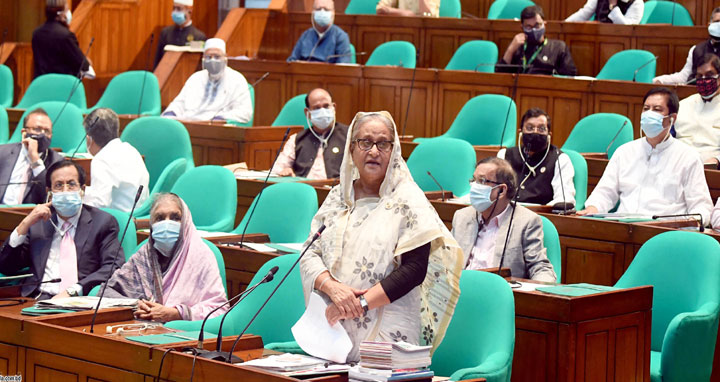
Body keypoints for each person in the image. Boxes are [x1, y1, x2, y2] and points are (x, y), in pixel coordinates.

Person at [300, 111, 462, 362]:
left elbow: (415, 269)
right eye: (365, 142)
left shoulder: (409, 199)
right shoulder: (337, 197)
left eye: (383, 143)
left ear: (394, 151)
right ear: (352, 149)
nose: (374, 151)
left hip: (389, 329)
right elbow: (310, 251)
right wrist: (332, 288)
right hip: (332, 328)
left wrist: (359, 304)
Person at [578, 87, 713, 224]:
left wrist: (691, 221)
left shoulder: (688, 157)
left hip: (664, 231)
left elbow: (702, 207)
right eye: (646, 108)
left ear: (672, 118)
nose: (649, 114)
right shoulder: (625, 151)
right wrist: (592, 208)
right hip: (623, 229)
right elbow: (604, 193)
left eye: (657, 109)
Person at [0, 160, 123, 300]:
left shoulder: (103, 222)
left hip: (79, 299)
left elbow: (113, 266)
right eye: (58, 185)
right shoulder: (38, 223)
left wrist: (75, 290)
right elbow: (7, 267)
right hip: (36, 298)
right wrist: (24, 224)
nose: (65, 190)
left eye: (71, 184)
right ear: (49, 192)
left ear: (82, 189)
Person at [103, 193, 229, 322]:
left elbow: (219, 309)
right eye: (160, 218)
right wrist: (133, 304)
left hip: (183, 334)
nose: (167, 224)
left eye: (175, 218)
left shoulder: (202, 256)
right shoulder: (144, 255)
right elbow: (106, 292)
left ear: (185, 222)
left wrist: (177, 313)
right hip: (139, 329)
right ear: (151, 224)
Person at [452, 158, 557, 282]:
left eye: (481, 181)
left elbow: (540, 268)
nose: (474, 186)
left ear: (501, 190)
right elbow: (444, 259)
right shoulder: (462, 217)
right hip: (461, 292)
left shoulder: (526, 222)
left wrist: (540, 292)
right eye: (473, 180)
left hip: (499, 295)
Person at [162, 38, 253, 123]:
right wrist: (171, 113)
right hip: (188, 123)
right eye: (208, 57)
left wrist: (221, 118)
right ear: (203, 59)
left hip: (215, 128)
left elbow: (245, 112)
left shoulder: (236, 79)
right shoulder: (196, 78)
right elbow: (179, 102)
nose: (212, 60)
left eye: (217, 57)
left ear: (225, 58)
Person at [498, 108, 576, 206]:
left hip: (541, 216)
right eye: (530, 128)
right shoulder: (504, 155)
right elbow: (494, 190)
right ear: (520, 132)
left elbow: (564, 199)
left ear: (549, 135)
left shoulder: (560, 159)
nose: (535, 132)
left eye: (541, 129)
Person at [82, 108, 150, 212]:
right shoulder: (130, 150)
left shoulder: (101, 160)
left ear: (89, 139)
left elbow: (100, 203)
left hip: (118, 220)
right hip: (137, 215)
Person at [273, 89, 349, 179]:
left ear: (334, 108)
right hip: (303, 189)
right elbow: (276, 170)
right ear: (307, 113)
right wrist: (285, 172)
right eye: (317, 108)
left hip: (336, 191)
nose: (322, 111)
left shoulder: (350, 136)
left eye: (326, 106)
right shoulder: (297, 139)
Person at [0, 108, 63, 205]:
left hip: (31, 215)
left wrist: (35, 160)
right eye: (37, 129)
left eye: (46, 131)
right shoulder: (3, 152)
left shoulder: (57, 162)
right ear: (24, 132)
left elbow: (50, 197)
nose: (42, 134)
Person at [498, 6, 577, 76]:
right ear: (522, 28)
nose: (534, 30)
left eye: (537, 25)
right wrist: (510, 50)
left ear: (544, 24)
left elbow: (570, 77)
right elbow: (500, 76)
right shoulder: (517, 46)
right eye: (528, 27)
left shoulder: (559, 47)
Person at [673, 54, 720, 165]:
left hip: (710, 166)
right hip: (677, 164)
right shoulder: (683, 105)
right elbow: (668, 137)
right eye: (699, 76)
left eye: (709, 75)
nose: (704, 80)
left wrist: (717, 160)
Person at [654, 8, 720, 85]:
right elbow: (684, 77)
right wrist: (660, 80)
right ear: (709, 25)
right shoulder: (696, 49)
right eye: (717, 21)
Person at [32, 0, 92, 78]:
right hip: (62, 86)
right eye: (67, 10)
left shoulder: (37, 33)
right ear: (61, 14)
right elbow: (83, 65)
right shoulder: (66, 36)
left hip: (41, 85)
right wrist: (87, 62)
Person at [155, 0, 207, 68]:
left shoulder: (199, 37)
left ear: (189, 11)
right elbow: (158, 60)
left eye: (179, 9)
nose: (175, 11)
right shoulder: (165, 33)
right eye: (174, 8)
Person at [565, 0, 644, 25]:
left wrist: (613, 5)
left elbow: (628, 29)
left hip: (619, 43)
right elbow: (584, 13)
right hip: (597, 36)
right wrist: (563, 24)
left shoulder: (637, 2)